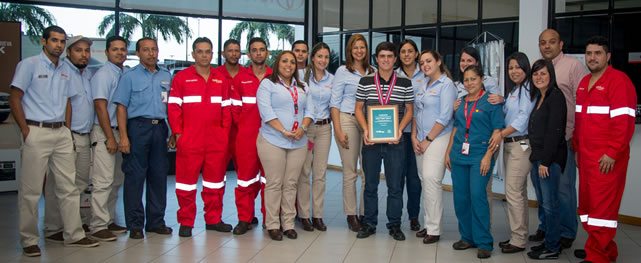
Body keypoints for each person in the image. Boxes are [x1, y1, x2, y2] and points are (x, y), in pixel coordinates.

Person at [9, 25, 99, 257]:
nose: (58, 45)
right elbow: (15, 97)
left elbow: (68, 102)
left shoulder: (65, 70)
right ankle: (29, 240)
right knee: (30, 190)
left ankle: (74, 234)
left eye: (61, 41)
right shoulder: (29, 65)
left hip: (61, 132)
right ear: (44, 42)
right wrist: (25, 130)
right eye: (54, 41)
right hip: (35, 130)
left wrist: (67, 131)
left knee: (68, 187)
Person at [573, 36, 637, 263]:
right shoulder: (583, 83)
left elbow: (624, 124)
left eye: (597, 53)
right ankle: (601, 248)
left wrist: (612, 152)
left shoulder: (619, 81)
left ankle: (597, 257)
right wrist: (578, 150)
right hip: (587, 159)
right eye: (589, 53)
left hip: (607, 159)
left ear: (608, 56)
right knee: (588, 207)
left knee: (602, 211)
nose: (592, 57)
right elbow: (580, 123)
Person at [168, 37, 233, 237]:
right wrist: (178, 133)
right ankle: (186, 222)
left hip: (216, 141)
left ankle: (213, 219)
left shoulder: (221, 79)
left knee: (215, 183)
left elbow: (227, 110)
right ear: (193, 54)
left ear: (212, 54)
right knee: (186, 183)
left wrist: (223, 135)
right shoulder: (181, 78)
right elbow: (173, 107)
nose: (204, 55)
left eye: (208, 51)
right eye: (200, 51)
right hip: (190, 140)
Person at [531, 29, 587, 247]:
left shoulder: (573, 66)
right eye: (542, 42)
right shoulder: (539, 70)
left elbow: (582, 103)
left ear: (560, 44)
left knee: (564, 189)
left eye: (552, 42)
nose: (547, 46)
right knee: (543, 190)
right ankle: (547, 227)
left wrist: (576, 135)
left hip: (565, 139)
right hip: (541, 143)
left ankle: (566, 231)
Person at [112, 37, 173, 239]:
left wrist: (172, 132)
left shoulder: (166, 76)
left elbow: (171, 107)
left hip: (160, 129)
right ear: (138, 53)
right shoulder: (129, 76)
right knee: (135, 178)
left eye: (154, 49)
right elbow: (121, 107)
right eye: (145, 50)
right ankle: (136, 224)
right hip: (137, 128)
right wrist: (123, 136)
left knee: (158, 176)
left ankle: (156, 222)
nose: (151, 53)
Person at [354, 41, 414, 241]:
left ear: (395, 59)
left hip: (395, 142)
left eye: (390, 56)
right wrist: (365, 130)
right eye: (382, 56)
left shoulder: (405, 82)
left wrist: (398, 129)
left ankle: (394, 225)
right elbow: (358, 109)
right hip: (371, 141)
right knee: (370, 184)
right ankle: (369, 224)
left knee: (395, 185)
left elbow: (410, 111)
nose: (386, 60)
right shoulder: (365, 81)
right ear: (376, 59)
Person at [445, 65, 503, 259]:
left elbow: (497, 132)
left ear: (481, 80)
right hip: (459, 155)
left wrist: (488, 156)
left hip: (480, 155)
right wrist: (448, 153)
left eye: (473, 79)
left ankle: (484, 242)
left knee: (477, 196)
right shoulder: (460, 102)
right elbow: (456, 128)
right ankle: (467, 237)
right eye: (466, 80)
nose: (470, 83)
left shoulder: (491, 102)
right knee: (461, 198)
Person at [257, 51, 314, 241]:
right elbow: (266, 111)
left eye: (292, 62)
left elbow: (309, 110)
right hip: (273, 140)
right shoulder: (267, 84)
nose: (289, 65)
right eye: (284, 61)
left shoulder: (303, 86)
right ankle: (273, 224)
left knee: (291, 184)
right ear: (277, 64)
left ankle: (288, 224)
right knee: (274, 183)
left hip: (298, 141)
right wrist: (283, 130)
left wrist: (303, 128)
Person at [44, 35, 96, 242]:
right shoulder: (63, 72)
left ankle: (73, 222)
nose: (84, 54)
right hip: (67, 135)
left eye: (86, 51)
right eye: (78, 50)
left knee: (80, 183)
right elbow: (63, 104)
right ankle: (53, 227)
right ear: (69, 52)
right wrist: (66, 133)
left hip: (84, 136)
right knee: (59, 184)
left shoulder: (87, 74)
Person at [222, 37, 273, 234]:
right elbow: (233, 111)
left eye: (262, 49)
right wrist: (245, 128)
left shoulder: (274, 76)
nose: (258, 53)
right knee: (245, 180)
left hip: (272, 137)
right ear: (249, 54)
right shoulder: (240, 78)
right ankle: (245, 219)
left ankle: (270, 219)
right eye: (254, 50)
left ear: (267, 53)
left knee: (270, 180)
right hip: (247, 137)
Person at [491, 52, 536, 253]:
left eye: (518, 67)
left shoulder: (527, 90)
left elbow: (522, 120)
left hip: (520, 144)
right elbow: (510, 113)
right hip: (513, 144)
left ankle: (518, 240)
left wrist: (500, 134)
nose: (514, 71)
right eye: (511, 68)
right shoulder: (516, 90)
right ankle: (519, 235)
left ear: (526, 68)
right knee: (519, 192)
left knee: (513, 192)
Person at [329, 33, 375, 232]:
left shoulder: (373, 71)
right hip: (347, 119)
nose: (359, 51)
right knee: (350, 172)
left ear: (366, 50)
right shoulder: (342, 71)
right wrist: (338, 130)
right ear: (350, 50)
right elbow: (334, 102)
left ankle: (365, 213)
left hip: (368, 122)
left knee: (368, 171)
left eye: (362, 47)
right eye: (355, 47)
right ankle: (351, 214)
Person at [411, 50, 456, 244]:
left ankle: (435, 230)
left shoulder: (447, 85)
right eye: (421, 63)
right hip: (420, 138)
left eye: (429, 61)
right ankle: (428, 225)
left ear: (439, 61)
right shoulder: (423, 84)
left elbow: (445, 116)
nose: (425, 65)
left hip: (437, 138)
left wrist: (428, 140)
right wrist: (414, 136)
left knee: (431, 180)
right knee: (425, 182)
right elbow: (416, 112)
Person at [526, 59, 568, 260]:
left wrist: (545, 161)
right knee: (543, 202)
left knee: (550, 204)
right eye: (536, 74)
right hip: (538, 158)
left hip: (548, 160)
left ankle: (553, 246)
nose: (539, 77)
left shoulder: (556, 97)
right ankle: (548, 240)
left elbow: (555, 132)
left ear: (551, 75)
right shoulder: (540, 97)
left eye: (543, 73)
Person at [89, 35, 129, 240]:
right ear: (107, 52)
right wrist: (109, 137)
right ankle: (98, 225)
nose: (120, 53)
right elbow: (100, 106)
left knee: (115, 180)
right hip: (105, 131)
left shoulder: (123, 73)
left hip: (119, 132)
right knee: (103, 180)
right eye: (115, 49)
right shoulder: (104, 74)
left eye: (123, 49)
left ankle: (109, 220)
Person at [296, 42, 334, 232]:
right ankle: (303, 215)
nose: (323, 60)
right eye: (319, 56)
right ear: (312, 58)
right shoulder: (302, 77)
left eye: (326, 57)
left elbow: (334, 105)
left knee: (320, 174)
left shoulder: (332, 79)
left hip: (325, 128)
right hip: (306, 128)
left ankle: (317, 215)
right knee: (304, 173)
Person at [395, 39, 424, 232]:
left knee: (415, 178)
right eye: (403, 51)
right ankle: (395, 218)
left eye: (410, 51)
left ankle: (413, 216)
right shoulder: (394, 75)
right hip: (397, 132)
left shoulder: (426, 72)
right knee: (397, 177)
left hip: (418, 133)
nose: (406, 54)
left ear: (416, 54)